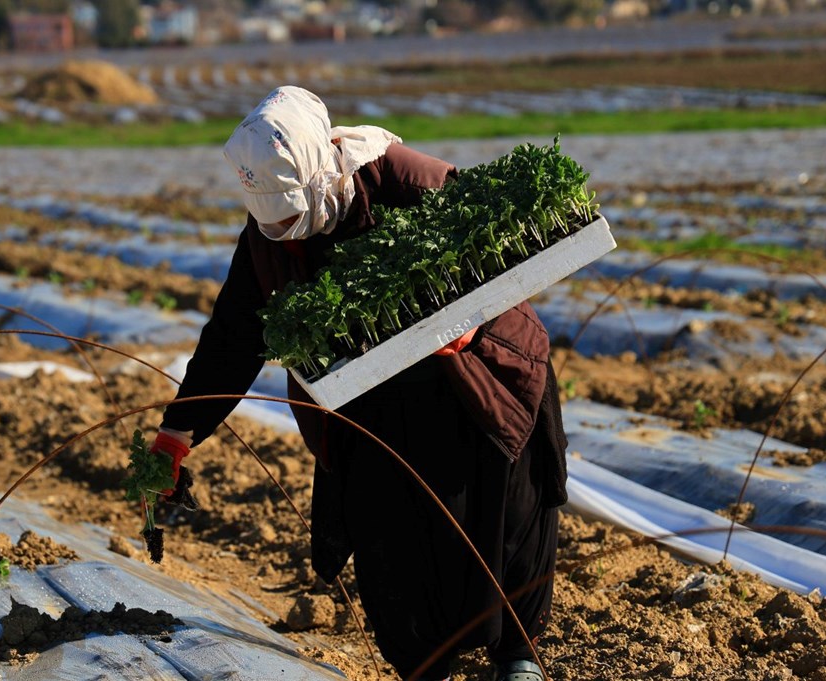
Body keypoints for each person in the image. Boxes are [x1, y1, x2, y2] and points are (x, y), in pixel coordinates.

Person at [146, 86, 568, 681]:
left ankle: (516, 660)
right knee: (393, 550)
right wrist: (177, 432)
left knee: (497, 524)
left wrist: (468, 319)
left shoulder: (402, 181)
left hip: (476, 383)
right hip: (370, 408)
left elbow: (498, 243)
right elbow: (233, 338)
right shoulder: (267, 238)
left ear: (320, 172)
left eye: (294, 219)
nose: (288, 236)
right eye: (275, 226)